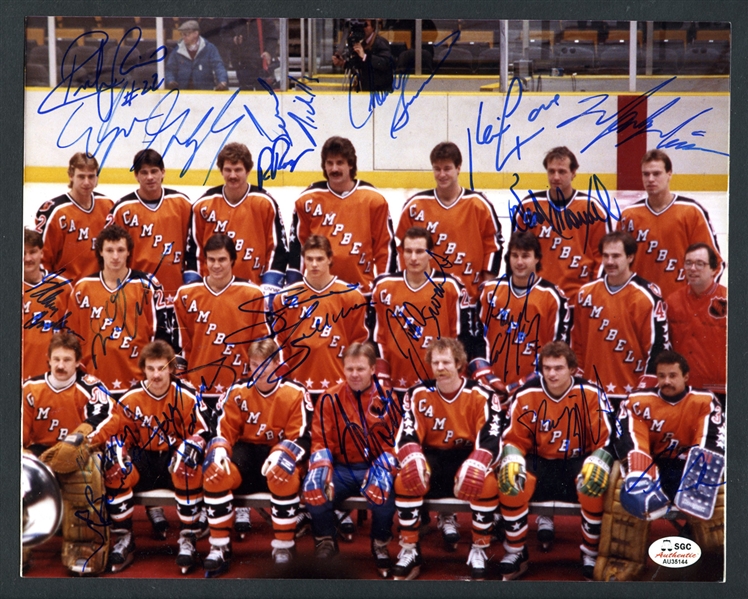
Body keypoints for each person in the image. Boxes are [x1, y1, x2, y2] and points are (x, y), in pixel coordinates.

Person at [596, 351, 725, 581]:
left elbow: (710, 440)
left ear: (686, 376)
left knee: (717, 491)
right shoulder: (637, 401)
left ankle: (719, 560)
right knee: (624, 491)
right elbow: (631, 437)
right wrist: (640, 473)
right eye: (662, 375)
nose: (666, 381)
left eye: (673, 375)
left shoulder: (704, 401)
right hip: (654, 466)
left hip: (687, 467)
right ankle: (623, 562)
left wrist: (696, 479)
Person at [497, 341, 614, 581]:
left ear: (572, 369)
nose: (551, 373)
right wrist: (512, 458)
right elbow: (514, 438)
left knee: (594, 480)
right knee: (511, 479)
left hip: (575, 460)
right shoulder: (526, 393)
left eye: (558, 368)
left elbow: (606, 438)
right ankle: (516, 552)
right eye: (547, 368)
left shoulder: (591, 393)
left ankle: (590, 553)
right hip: (539, 461)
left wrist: (598, 460)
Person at [392, 338, 503, 581]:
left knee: (486, 482)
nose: (440, 368)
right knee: (405, 478)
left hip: (466, 456)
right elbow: (407, 432)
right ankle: (410, 549)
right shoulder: (417, 393)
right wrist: (412, 459)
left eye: (446, 362)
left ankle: (479, 548)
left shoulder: (481, 394)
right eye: (436, 362)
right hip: (433, 456)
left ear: (459, 364)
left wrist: (478, 462)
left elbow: (492, 437)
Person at [200, 339, 312, 573]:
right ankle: (220, 546)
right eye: (254, 365)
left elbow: (302, 436)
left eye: (265, 365)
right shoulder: (238, 390)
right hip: (246, 454)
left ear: (277, 365)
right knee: (215, 472)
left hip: (278, 452)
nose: (258, 372)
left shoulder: (295, 393)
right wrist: (220, 447)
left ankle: (284, 546)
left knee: (284, 472)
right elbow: (222, 427)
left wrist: (282, 452)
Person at [103, 340, 210, 573]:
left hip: (172, 459)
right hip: (144, 460)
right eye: (151, 368)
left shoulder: (187, 396)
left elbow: (202, 431)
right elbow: (120, 436)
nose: (156, 374)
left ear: (171, 368)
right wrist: (119, 451)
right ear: (143, 369)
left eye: (162, 368)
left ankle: (188, 538)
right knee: (114, 470)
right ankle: (124, 539)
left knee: (188, 463)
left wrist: (194, 444)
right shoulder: (130, 398)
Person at [23, 332, 119, 575]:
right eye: (56, 359)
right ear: (48, 359)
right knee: (16, 472)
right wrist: (23, 455)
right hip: (42, 450)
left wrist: (80, 440)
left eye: (67, 360)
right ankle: (17, 546)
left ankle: (83, 550)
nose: (61, 365)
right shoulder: (31, 388)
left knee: (86, 474)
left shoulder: (92, 388)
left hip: (78, 448)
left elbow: (107, 418)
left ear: (77, 361)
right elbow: (17, 427)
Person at [302, 342, 401, 578]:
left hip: (375, 465)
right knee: (313, 486)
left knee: (383, 490)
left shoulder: (388, 398)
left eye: (360, 369)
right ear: (343, 369)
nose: (354, 374)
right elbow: (320, 438)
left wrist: (382, 466)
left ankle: (379, 543)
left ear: (372, 369)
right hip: (341, 469)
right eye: (350, 369)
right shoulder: (329, 398)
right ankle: (326, 540)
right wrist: (321, 466)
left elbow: (396, 442)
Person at [396, 142, 503, 353]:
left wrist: (485, 287)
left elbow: (494, 246)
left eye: (447, 168)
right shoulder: (416, 205)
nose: (442, 174)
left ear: (458, 168)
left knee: (464, 359)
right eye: (437, 169)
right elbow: (401, 247)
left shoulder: (478, 204)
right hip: (427, 299)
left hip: (469, 300)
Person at [66, 224, 171, 398]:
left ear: (129, 252)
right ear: (100, 251)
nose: (115, 256)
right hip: (93, 385)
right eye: (109, 250)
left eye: (121, 250)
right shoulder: (82, 288)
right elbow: (72, 338)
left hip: (139, 383)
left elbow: (162, 336)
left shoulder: (148, 285)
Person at [287, 136, 398, 297]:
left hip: (361, 292)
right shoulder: (307, 200)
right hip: (319, 292)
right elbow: (298, 245)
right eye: (329, 163)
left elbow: (385, 248)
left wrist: (385, 286)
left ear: (350, 164)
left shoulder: (373, 200)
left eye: (340, 163)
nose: (334, 169)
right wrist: (295, 286)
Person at [571, 231, 669, 406]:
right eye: (606, 256)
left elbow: (658, 347)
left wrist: (644, 390)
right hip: (592, 392)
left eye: (616, 256)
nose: (609, 262)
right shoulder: (585, 294)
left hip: (631, 393)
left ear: (630, 257)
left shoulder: (645, 295)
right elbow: (577, 341)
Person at [175, 234, 272, 410]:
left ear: (233, 260)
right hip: (197, 389)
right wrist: (184, 386)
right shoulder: (185, 295)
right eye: (211, 260)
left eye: (222, 259)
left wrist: (252, 383)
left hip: (239, 388)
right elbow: (180, 345)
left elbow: (261, 343)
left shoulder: (252, 294)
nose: (216, 265)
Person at [372, 227, 471, 396]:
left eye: (419, 251)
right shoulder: (383, 286)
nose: (413, 258)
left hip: (438, 382)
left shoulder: (450, 287)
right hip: (395, 383)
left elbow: (460, 337)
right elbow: (376, 336)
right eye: (408, 251)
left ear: (431, 253)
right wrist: (382, 373)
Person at [618, 149, 723, 299]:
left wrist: (700, 300)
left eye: (656, 173)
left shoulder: (691, 212)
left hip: (681, 308)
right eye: (646, 174)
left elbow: (715, 264)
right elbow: (618, 263)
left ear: (669, 174)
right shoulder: (629, 215)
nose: (651, 179)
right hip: (640, 306)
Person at [273, 235, 369, 398]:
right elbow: (280, 341)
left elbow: (359, 342)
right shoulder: (285, 297)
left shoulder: (352, 296)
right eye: (309, 259)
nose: (314, 264)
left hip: (339, 387)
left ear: (330, 259)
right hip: (297, 387)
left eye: (319, 258)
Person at [512, 146, 611, 303]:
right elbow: (516, 254)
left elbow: (604, 257)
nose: (556, 177)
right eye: (551, 171)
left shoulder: (592, 209)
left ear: (573, 173)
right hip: (538, 298)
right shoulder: (529, 206)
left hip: (579, 299)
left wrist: (593, 293)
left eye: (562, 171)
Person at [472, 230, 570, 389]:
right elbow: (475, 339)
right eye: (514, 255)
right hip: (490, 384)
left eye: (525, 256)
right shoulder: (488, 291)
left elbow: (558, 348)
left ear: (537, 258)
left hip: (534, 387)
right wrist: (486, 376)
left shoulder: (553, 297)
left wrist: (524, 383)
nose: (519, 262)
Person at [186, 142, 288, 294]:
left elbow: (277, 249)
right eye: (228, 170)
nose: (232, 175)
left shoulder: (265, 203)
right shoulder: (203, 205)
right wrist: (195, 288)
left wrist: (269, 288)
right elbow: (194, 251)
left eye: (238, 170)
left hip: (254, 290)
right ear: (221, 170)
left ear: (247, 171)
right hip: (213, 292)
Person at [107, 149, 193, 304]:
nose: (150, 177)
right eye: (144, 172)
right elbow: (109, 253)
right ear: (136, 175)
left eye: (154, 171)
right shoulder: (122, 209)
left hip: (175, 291)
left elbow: (194, 244)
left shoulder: (182, 203)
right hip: (136, 293)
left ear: (163, 172)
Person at [34, 152, 114, 284]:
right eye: (81, 176)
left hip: (101, 291)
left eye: (91, 176)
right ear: (71, 176)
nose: (87, 182)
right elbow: (41, 260)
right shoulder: (55, 212)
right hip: (66, 292)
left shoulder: (107, 205)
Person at [665, 243, 726, 404]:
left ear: (714, 269)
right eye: (688, 263)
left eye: (700, 264)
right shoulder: (672, 301)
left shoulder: (729, 300)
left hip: (719, 390)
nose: (692, 268)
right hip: (683, 388)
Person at [23, 228, 73, 381]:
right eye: (23, 253)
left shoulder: (62, 286)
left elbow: (72, 333)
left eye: (32, 252)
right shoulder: (7, 288)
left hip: (53, 375)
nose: (28, 258)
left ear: (42, 253)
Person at [165, 20, 228, 91]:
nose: (183, 37)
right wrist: (171, 81)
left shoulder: (209, 48)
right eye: (182, 34)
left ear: (196, 33)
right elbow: (170, 69)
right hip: (183, 93)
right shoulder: (177, 50)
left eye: (186, 34)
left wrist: (222, 82)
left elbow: (218, 66)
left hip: (205, 92)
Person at [332, 18, 394, 92]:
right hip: (365, 89)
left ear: (373, 27)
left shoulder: (380, 42)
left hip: (379, 92)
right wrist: (344, 63)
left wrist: (364, 56)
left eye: (365, 25)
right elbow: (358, 64)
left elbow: (385, 63)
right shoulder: (362, 43)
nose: (363, 28)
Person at [221, 18, 279, 90]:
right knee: (245, 92)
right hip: (241, 63)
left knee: (263, 93)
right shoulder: (231, 18)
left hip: (261, 63)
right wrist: (233, 40)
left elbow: (272, 36)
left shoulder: (265, 18)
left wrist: (268, 52)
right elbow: (223, 36)